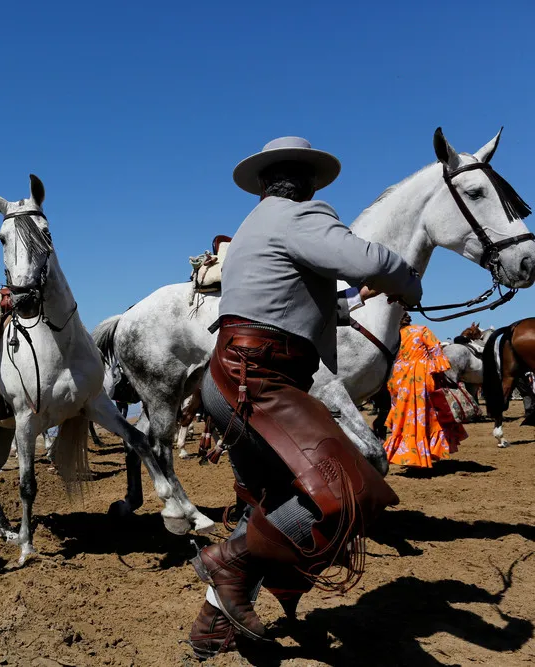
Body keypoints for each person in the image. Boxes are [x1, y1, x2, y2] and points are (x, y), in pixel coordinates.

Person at [187, 137, 423, 659]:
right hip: (260, 379)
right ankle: (227, 559)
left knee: (270, 504)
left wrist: (351, 301)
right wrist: (406, 280)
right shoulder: (299, 215)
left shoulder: (256, 226)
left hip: (232, 376)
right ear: (309, 183)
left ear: (267, 182)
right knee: (353, 489)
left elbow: (285, 301)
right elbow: (365, 257)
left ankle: (212, 623)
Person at [383, 313, 466, 469]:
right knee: (427, 416)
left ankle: (407, 454)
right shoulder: (422, 330)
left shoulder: (392, 336)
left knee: (404, 417)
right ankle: (425, 452)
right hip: (421, 376)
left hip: (399, 378)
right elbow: (437, 355)